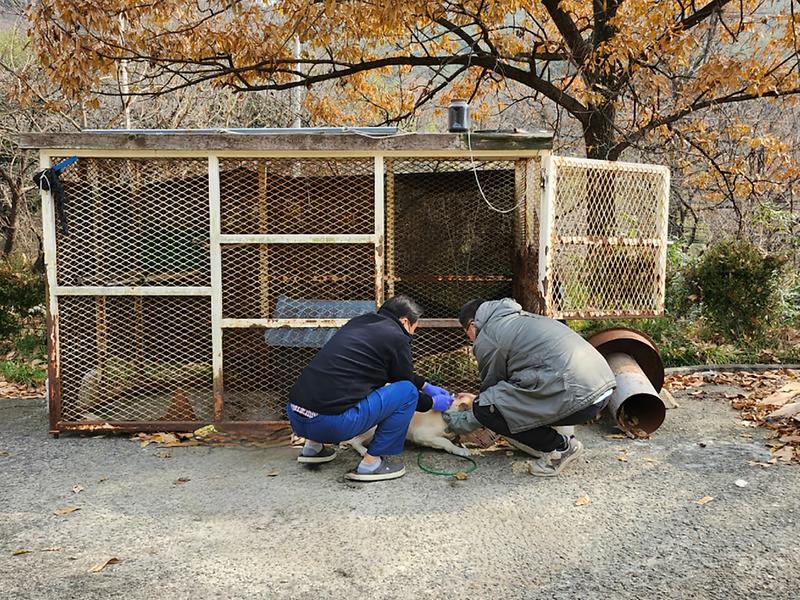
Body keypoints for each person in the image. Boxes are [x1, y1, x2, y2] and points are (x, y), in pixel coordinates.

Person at [287, 295, 454, 482]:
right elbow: (405, 385)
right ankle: (372, 464)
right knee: (406, 392)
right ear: (405, 321)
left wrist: (425, 385)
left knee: (336, 383)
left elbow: (393, 372)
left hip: (295, 416)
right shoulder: (398, 337)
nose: (413, 333)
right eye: (415, 327)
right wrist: (431, 402)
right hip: (332, 426)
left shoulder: (358, 323)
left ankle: (313, 448)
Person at [452, 298, 616, 477]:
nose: (468, 338)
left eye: (465, 332)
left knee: (484, 408)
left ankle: (561, 447)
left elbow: (491, 392)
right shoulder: (520, 318)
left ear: (473, 324)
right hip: (603, 387)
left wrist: (464, 418)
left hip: (579, 397)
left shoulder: (489, 336)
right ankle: (554, 441)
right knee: (505, 400)